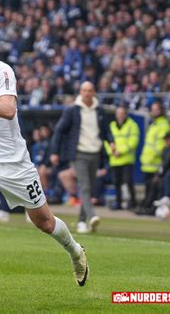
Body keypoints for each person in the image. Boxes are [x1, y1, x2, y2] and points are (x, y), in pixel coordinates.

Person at [0, 25, 88, 291]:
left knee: (44, 222)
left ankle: (75, 252)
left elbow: (9, 110)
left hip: (14, 164)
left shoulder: (1, 71)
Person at [49, 81, 114, 233]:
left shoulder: (99, 111)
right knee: (84, 186)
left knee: (89, 188)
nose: (87, 93)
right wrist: (55, 152)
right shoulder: (72, 111)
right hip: (79, 154)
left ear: (94, 92)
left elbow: (105, 131)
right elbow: (59, 130)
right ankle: (92, 216)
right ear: (80, 92)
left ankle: (81, 222)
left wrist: (111, 142)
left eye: (90, 90)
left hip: (95, 152)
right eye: (84, 90)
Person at [104, 105, 140, 210]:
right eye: (118, 113)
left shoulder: (132, 125)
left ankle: (133, 203)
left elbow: (133, 142)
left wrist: (121, 151)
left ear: (126, 114)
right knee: (116, 182)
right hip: (114, 160)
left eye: (122, 113)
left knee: (128, 181)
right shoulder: (111, 125)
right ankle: (118, 202)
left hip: (127, 159)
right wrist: (112, 151)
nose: (120, 115)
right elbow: (106, 141)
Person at [139, 101, 170, 210]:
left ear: (161, 110)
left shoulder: (164, 125)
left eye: (156, 109)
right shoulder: (154, 124)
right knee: (148, 187)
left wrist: (156, 155)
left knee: (154, 187)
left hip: (156, 161)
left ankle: (151, 208)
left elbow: (163, 145)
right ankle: (146, 206)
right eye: (152, 109)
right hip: (147, 161)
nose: (154, 111)